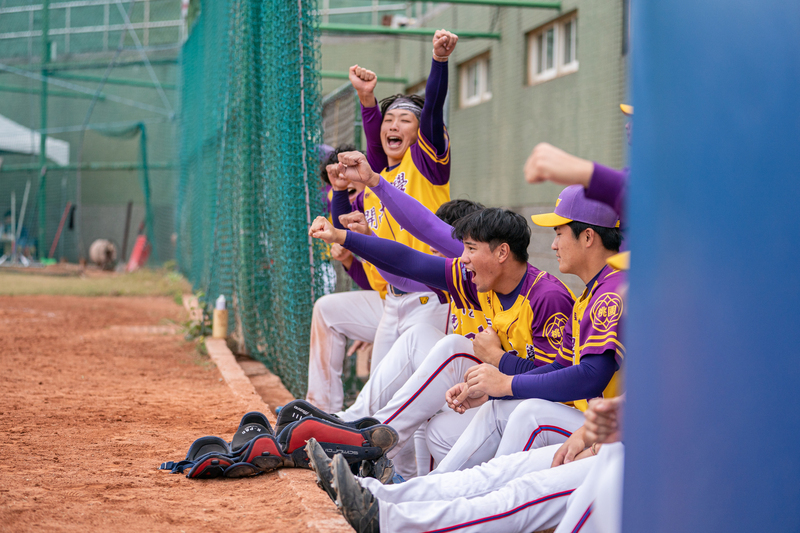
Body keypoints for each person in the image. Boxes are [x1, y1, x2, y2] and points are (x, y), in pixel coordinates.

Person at [310, 168, 594, 471]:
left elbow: (554, 380)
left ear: (501, 253)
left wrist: (498, 361)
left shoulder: (547, 296)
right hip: (502, 398)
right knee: (437, 429)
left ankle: (366, 441)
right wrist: (344, 237)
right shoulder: (478, 280)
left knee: (456, 347)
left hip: (550, 416)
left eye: (471, 249)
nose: (463, 258)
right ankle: (376, 447)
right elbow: (409, 261)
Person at [327, 30, 460, 371]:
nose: (394, 125)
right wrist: (368, 101)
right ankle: (327, 412)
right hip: (392, 298)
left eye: (405, 120)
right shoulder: (377, 177)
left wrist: (439, 61)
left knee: (410, 393)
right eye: (389, 120)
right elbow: (374, 145)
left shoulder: (426, 163)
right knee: (380, 392)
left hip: (430, 295)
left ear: (419, 133)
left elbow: (431, 114)